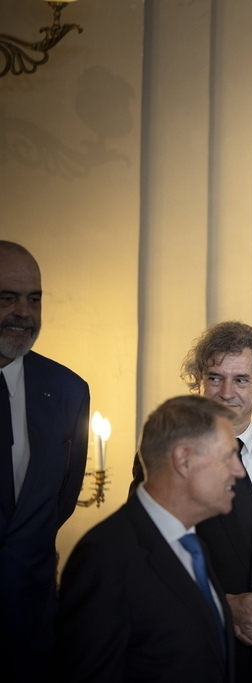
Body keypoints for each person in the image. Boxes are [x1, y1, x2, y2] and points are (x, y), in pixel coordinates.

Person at [130, 322, 252, 683]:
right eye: (214, 378)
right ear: (199, 382)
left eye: (240, 379)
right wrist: (225, 606)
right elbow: (145, 557)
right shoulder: (164, 456)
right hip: (192, 654)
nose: (226, 392)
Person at [55, 396, 242, 681]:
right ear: (184, 460)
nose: (239, 470)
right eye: (229, 456)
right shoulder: (105, 557)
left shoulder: (193, 546)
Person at [0, 241, 90, 682]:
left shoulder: (68, 390)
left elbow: (61, 501)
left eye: (34, 299)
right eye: (8, 298)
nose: (24, 312)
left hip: (31, 634)